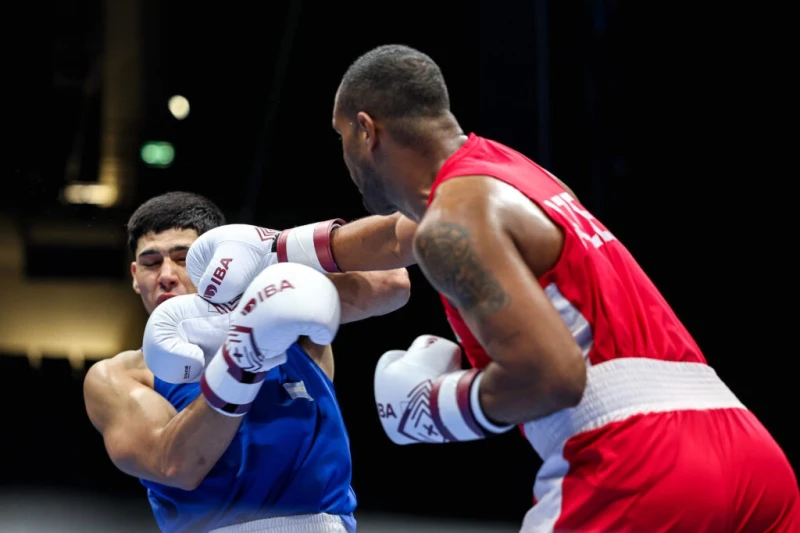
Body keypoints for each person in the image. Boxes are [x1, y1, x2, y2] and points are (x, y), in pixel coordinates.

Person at [187, 46, 799, 532]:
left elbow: (556, 377)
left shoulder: (453, 223)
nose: (343, 155)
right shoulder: (507, 175)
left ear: (366, 130)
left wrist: (437, 407)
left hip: (640, 465)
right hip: (750, 457)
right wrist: (273, 246)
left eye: (341, 135)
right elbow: (397, 235)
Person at [83, 191, 412, 533]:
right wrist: (244, 357)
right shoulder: (119, 375)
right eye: (152, 263)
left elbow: (392, 282)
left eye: (183, 258)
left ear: (218, 261)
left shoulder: (287, 315)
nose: (166, 274)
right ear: (135, 275)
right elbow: (176, 467)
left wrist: (276, 246)